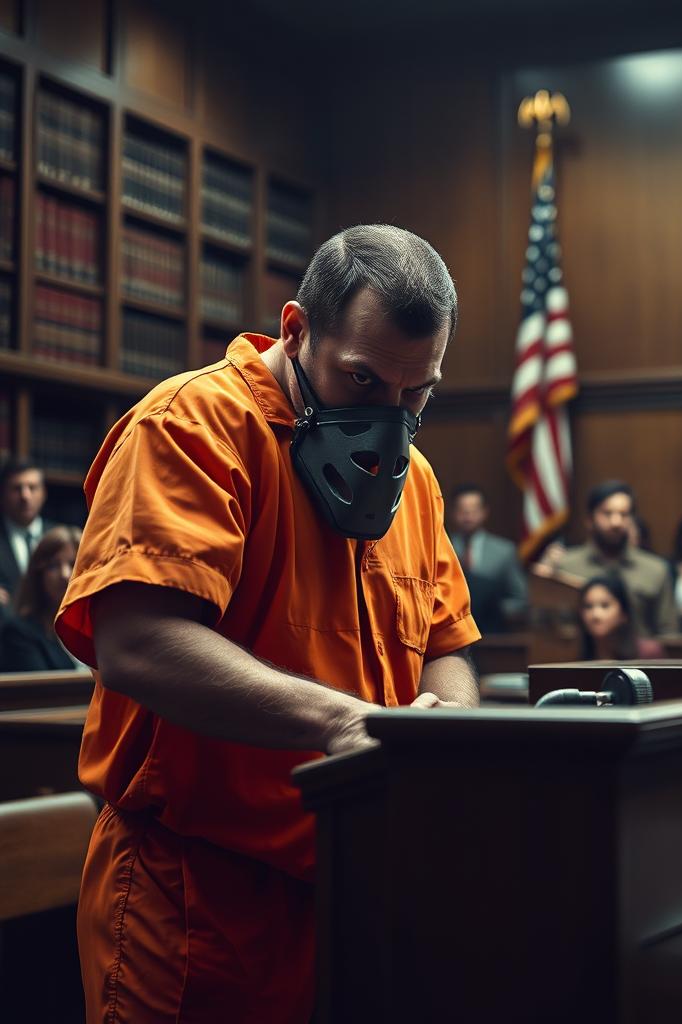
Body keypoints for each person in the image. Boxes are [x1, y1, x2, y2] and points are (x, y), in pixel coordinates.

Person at [54, 225, 482, 1022]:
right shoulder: (191, 425)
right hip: (192, 897)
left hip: (352, 890)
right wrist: (343, 722)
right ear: (295, 329)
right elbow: (137, 641)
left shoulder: (413, 479)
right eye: (362, 380)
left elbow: (446, 645)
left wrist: (445, 719)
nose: (390, 416)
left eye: (416, 391)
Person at [537, 480, 676, 637]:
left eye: (624, 514)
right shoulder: (565, 566)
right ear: (589, 520)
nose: (616, 522)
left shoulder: (656, 570)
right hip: (579, 659)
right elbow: (549, 630)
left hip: (640, 659)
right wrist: (544, 580)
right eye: (607, 513)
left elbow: (668, 634)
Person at [2, 525, 88, 671]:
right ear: (38, 575)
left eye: (73, 564)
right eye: (53, 566)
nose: (64, 574)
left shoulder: (100, 628)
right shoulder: (19, 634)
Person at [447, 484, 527, 633]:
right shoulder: (441, 548)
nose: (468, 516)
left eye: (473, 510)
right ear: (452, 513)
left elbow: (520, 599)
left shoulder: (504, 551)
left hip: (492, 634)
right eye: (462, 511)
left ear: (484, 512)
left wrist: (494, 611)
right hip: (449, 629)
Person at [0, 458, 52, 615]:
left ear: (43, 493)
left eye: (32, 487)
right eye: (17, 488)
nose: (25, 496)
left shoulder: (61, 538)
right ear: (2, 494)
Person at [578, 574, 664, 661]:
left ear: (624, 613)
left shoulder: (649, 652)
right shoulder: (573, 653)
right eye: (588, 606)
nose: (595, 615)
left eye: (605, 605)